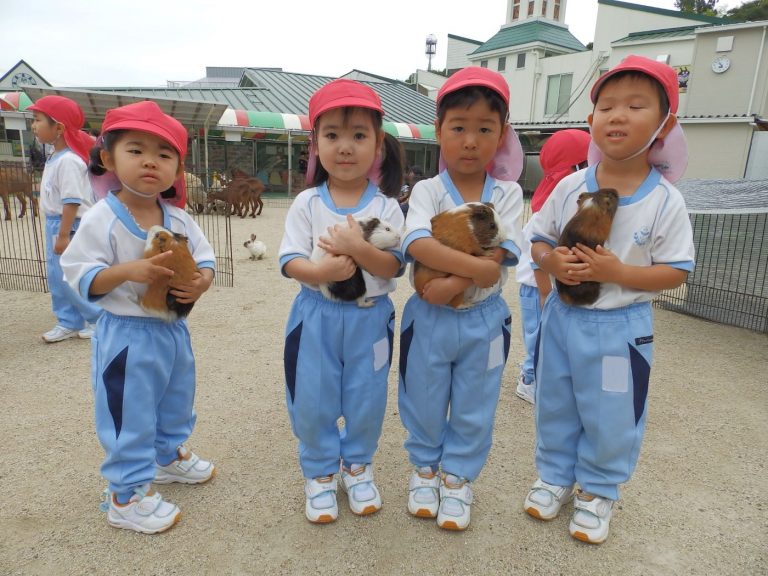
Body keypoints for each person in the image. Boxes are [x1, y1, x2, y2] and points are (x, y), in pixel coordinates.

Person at [523, 55, 695, 544]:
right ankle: (554, 476)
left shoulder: (665, 200)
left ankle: (598, 490)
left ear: (666, 123)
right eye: (607, 106)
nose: (617, 116)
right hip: (562, 319)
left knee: (612, 411)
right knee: (554, 400)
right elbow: (538, 237)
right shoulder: (571, 185)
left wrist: (619, 272)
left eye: (636, 106)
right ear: (591, 119)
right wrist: (551, 261)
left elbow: (677, 270)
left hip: (620, 328)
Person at [60, 101, 217, 534]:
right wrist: (129, 271)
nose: (151, 161)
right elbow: (79, 272)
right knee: (128, 411)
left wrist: (202, 282)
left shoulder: (179, 217)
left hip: (172, 331)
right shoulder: (102, 217)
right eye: (136, 150)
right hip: (127, 335)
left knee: (175, 397)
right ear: (108, 158)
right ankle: (125, 495)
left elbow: (205, 259)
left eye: (164, 155)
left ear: (178, 169)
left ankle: (166, 457)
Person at [398, 67, 524, 531]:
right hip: (428, 319)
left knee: (477, 397)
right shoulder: (429, 190)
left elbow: (504, 254)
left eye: (484, 129)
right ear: (439, 131)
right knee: (423, 395)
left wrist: (453, 284)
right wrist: (478, 268)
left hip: (484, 320)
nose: (470, 141)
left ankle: (458, 478)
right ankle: (425, 469)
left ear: (502, 134)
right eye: (459, 128)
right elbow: (416, 243)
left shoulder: (507, 194)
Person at [278, 79, 406, 524]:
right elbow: (291, 260)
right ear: (316, 144)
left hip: (370, 319)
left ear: (378, 145)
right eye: (332, 135)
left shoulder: (388, 206)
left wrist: (357, 249)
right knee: (311, 396)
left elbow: (393, 267)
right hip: (315, 316)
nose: (345, 147)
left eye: (358, 135)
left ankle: (358, 465)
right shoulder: (307, 203)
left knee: (366, 397)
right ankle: (318, 472)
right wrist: (320, 273)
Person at [514, 129, 590, 404]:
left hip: (545, 284)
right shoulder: (551, 205)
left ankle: (540, 376)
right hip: (537, 286)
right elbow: (537, 257)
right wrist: (546, 293)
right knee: (539, 336)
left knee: (548, 336)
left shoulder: (563, 198)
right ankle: (529, 380)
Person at [28, 95, 102, 343]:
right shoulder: (55, 156)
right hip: (58, 223)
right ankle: (68, 321)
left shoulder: (69, 160)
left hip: (69, 225)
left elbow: (71, 201)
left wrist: (62, 235)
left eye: (37, 120)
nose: (33, 126)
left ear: (58, 128)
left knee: (70, 274)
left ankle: (96, 319)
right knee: (57, 276)